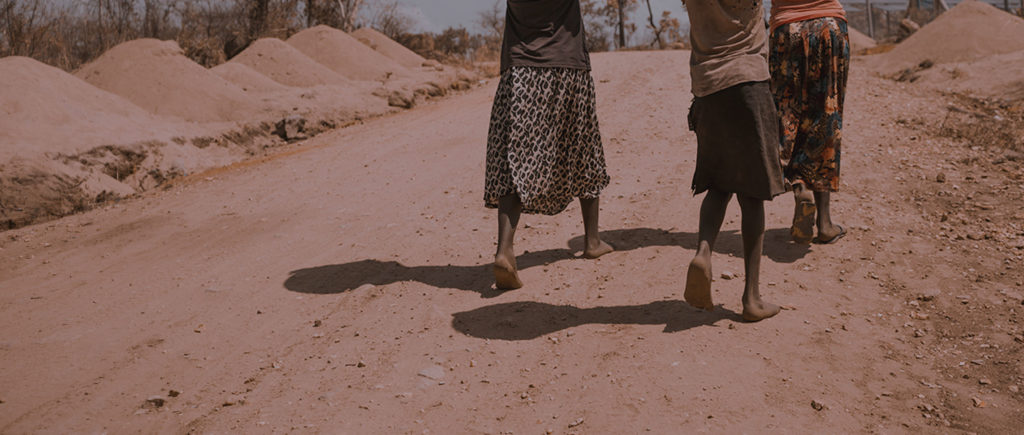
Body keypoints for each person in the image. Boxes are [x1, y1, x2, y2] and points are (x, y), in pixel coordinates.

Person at [484, 0, 613, 290]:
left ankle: (505, 249)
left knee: (514, 162)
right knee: (584, 150)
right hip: (568, 66)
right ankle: (592, 241)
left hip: (520, 72)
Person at [681, 0, 785, 321]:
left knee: (718, 184)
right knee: (752, 195)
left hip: (708, 87)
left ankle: (703, 251)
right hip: (748, 80)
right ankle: (751, 298)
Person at [769, 0, 850, 244]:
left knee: (786, 116)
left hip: (787, 29)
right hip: (829, 26)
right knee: (825, 117)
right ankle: (824, 223)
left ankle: (799, 186)